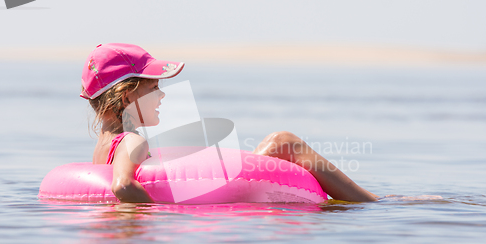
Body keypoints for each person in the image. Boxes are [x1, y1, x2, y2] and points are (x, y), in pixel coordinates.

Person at [81, 43, 378, 204]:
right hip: (202, 198)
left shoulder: (102, 144)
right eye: (153, 88)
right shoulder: (133, 140)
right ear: (126, 96)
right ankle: (369, 202)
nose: (161, 95)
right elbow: (122, 186)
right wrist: (161, 221)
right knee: (284, 142)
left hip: (196, 185)